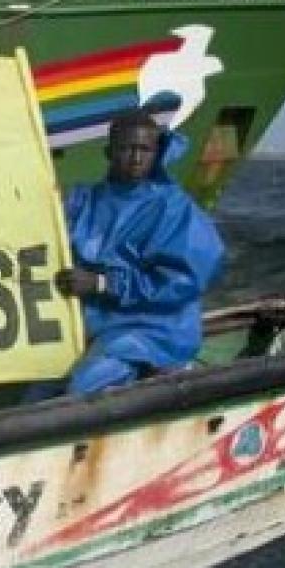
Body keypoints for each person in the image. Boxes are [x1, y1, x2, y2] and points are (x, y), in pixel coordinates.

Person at [49, 109, 225, 396]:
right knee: (37, 391)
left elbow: (180, 282)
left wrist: (103, 284)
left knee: (79, 390)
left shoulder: (174, 209)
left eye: (144, 149)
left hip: (152, 330)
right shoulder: (86, 201)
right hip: (92, 323)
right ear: (109, 152)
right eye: (126, 148)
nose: (135, 157)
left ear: (156, 153)